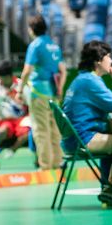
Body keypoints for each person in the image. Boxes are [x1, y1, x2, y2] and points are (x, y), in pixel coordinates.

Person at [63, 40, 112, 208]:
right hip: (83, 140)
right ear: (98, 60)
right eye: (108, 56)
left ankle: (109, 188)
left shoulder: (82, 79)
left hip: (73, 139)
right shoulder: (90, 82)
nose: (111, 60)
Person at [16, 14, 67, 170]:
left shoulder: (35, 45)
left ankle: (45, 166)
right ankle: (57, 163)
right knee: (54, 129)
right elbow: (63, 71)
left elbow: (27, 71)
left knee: (41, 129)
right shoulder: (54, 45)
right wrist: (60, 89)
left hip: (38, 93)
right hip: (53, 92)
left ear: (31, 30)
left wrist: (19, 90)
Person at [0, 60, 30, 156]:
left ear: (10, 76)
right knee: (2, 131)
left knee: (27, 133)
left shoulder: (21, 85)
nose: (0, 80)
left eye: (2, 78)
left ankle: (12, 150)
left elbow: (31, 104)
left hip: (21, 119)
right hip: (5, 120)